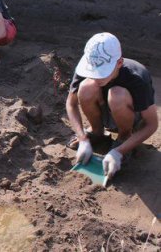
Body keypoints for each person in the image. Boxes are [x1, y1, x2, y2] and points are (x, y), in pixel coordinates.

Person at [66, 32, 158, 179]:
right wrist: (82, 138)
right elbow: (71, 104)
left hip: (131, 115)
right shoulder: (88, 66)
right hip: (105, 109)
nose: (96, 77)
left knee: (117, 94)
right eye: (93, 71)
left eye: (102, 73)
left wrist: (118, 152)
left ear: (119, 63)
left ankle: (124, 138)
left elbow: (152, 124)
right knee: (86, 87)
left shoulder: (136, 77)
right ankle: (97, 132)